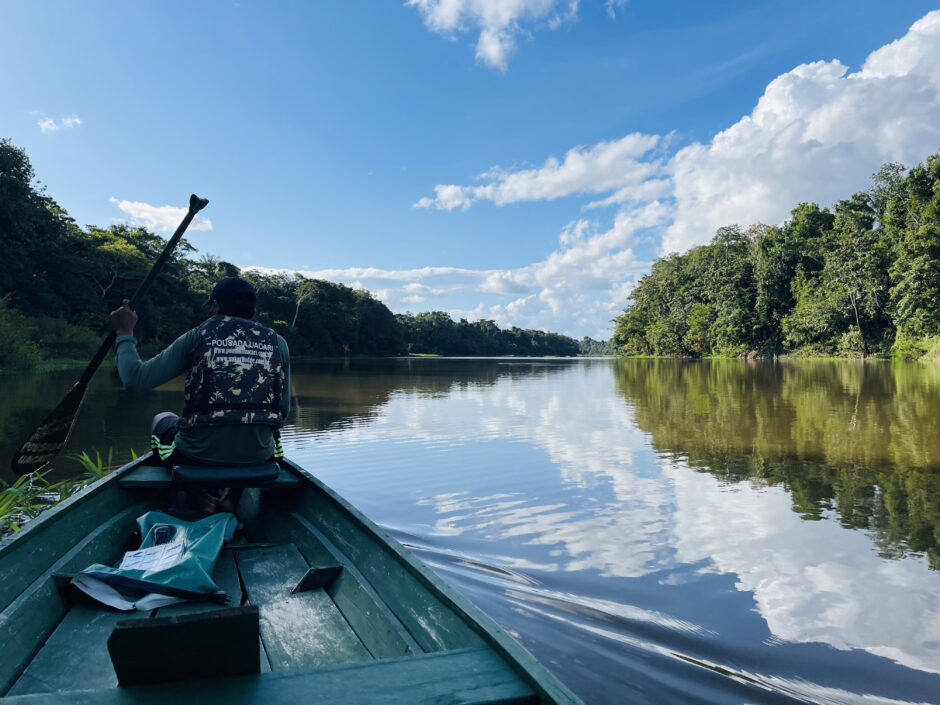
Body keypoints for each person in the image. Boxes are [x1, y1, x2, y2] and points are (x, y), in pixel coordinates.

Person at [109, 276, 290, 513]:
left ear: (215, 306)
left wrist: (124, 332)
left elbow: (135, 380)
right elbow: (282, 412)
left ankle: (201, 498)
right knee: (268, 433)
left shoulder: (198, 336)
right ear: (251, 310)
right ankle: (231, 500)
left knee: (161, 419)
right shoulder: (278, 343)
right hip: (257, 458)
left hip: (196, 457)